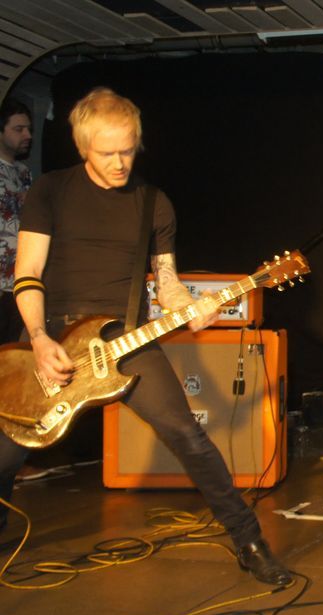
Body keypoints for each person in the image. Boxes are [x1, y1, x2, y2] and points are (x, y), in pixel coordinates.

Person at [0, 88, 291, 586]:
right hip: (53, 336)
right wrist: (40, 339)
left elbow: (168, 283)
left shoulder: (154, 203)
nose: (120, 163)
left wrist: (191, 308)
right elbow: (27, 271)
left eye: (128, 150)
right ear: (82, 147)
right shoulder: (50, 190)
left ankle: (249, 542)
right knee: (9, 448)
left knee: (187, 435)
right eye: (107, 153)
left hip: (124, 338)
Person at [0, 97, 33, 344]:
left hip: (20, 283)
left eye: (28, 129)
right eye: (19, 129)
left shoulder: (24, 172)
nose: (27, 135)